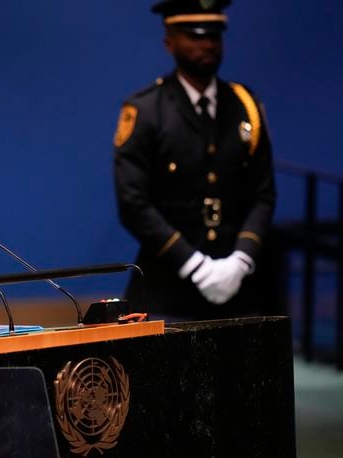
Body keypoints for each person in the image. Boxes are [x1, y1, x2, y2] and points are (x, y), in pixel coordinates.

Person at [113, 0, 276, 321]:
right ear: (169, 42)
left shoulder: (245, 105)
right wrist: (195, 265)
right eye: (194, 36)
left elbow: (264, 193)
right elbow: (133, 203)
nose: (207, 45)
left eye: (214, 36)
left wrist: (241, 260)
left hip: (240, 285)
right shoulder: (146, 110)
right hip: (168, 286)